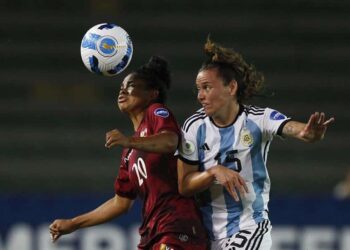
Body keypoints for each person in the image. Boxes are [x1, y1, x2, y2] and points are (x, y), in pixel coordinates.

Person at [177, 38, 335, 250]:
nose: (200, 96)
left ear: (231, 87)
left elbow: (293, 128)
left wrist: (307, 133)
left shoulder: (259, 119)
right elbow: (184, 185)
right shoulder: (193, 126)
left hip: (249, 226)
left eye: (207, 88)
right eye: (198, 89)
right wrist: (213, 172)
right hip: (205, 234)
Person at [49, 56, 208, 250]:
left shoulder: (156, 113)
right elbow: (120, 203)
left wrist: (128, 140)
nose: (123, 90)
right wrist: (74, 223)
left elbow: (170, 141)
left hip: (176, 228)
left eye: (131, 85)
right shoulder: (129, 152)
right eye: (121, 87)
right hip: (152, 234)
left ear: (152, 94)